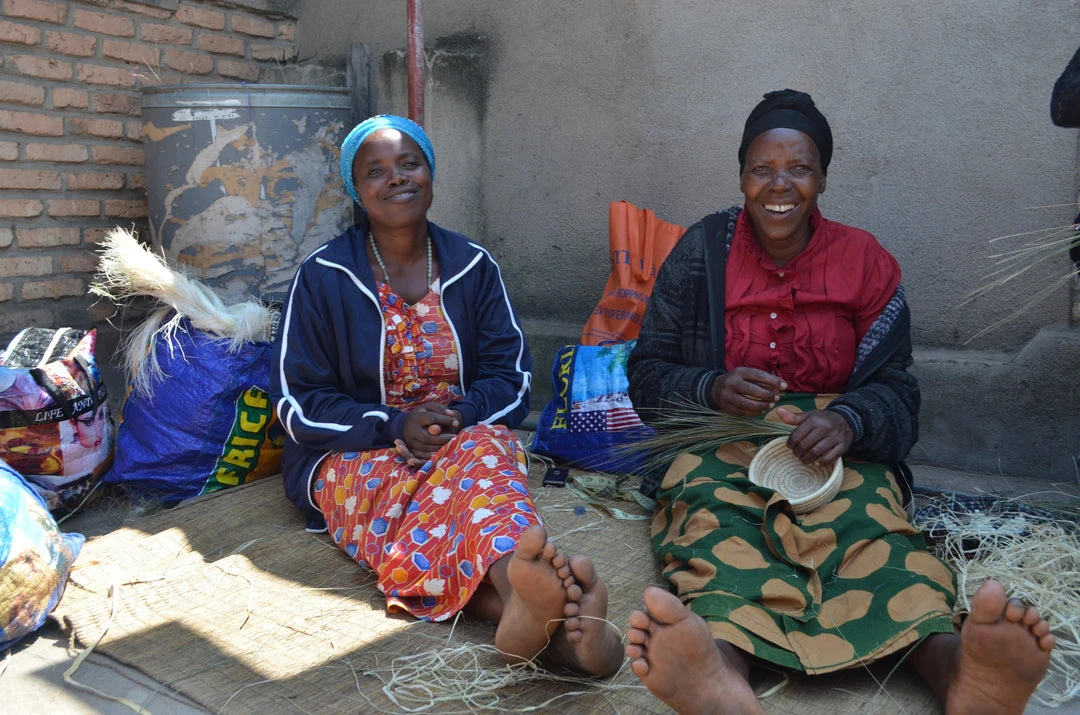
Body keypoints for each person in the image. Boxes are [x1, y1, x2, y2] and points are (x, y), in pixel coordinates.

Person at [623, 90, 1055, 714]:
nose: (780, 185)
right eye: (762, 168)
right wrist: (710, 387)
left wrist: (850, 420)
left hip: (836, 450)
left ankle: (959, 672)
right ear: (741, 177)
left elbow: (900, 392)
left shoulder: (864, 261)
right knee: (716, 519)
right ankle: (721, 672)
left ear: (823, 178)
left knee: (873, 529)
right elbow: (646, 374)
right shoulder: (701, 252)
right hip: (722, 438)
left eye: (799, 168)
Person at [270, 115, 622, 676]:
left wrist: (460, 418)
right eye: (375, 171)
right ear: (356, 190)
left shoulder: (473, 266)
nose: (395, 178)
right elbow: (298, 400)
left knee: (483, 458)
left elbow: (510, 375)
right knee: (408, 495)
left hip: (461, 439)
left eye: (409, 164)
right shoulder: (324, 275)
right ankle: (552, 624)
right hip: (358, 452)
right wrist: (393, 425)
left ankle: (522, 605)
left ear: (430, 174)